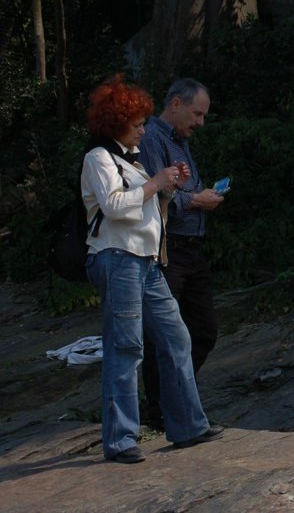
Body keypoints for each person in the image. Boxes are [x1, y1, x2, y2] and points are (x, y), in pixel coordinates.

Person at [81, 74, 223, 463]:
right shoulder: (98, 158)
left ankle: (188, 425)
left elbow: (150, 209)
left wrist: (171, 187)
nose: (144, 129)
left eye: (144, 122)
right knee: (126, 346)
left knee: (178, 336)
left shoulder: (131, 161)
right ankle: (121, 439)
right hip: (116, 257)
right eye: (138, 123)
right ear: (117, 123)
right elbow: (114, 206)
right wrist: (158, 181)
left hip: (145, 262)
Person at [138, 78, 222, 430]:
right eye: (196, 113)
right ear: (175, 104)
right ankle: (160, 408)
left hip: (192, 248)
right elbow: (154, 192)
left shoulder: (180, 141)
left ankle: (174, 397)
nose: (200, 122)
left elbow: (175, 188)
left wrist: (200, 196)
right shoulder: (151, 140)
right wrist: (195, 200)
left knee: (203, 330)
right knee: (164, 335)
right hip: (167, 248)